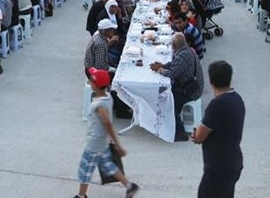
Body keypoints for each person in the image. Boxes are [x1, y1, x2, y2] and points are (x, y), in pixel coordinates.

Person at [73, 68, 139, 198]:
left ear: (96, 85)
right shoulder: (107, 97)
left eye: (91, 80)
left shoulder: (100, 105)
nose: (89, 81)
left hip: (94, 143)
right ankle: (130, 186)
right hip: (102, 142)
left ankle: (81, 195)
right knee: (108, 165)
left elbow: (107, 124)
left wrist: (118, 145)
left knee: (85, 169)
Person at [191, 60, 244, 197]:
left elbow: (200, 136)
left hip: (219, 167)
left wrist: (196, 135)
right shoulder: (237, 99)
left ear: (211, 81)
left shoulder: (217, 104)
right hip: (233, 161)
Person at [149, 32, 204, 142]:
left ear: (174, 45)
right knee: (167, 95)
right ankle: (172, 122)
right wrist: (163, 65)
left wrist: (160, 69)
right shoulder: (186, 51)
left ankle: (180, 133)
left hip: (191, 90)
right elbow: (175, 64)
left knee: (167, 101)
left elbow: (172, 74)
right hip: (189, 86)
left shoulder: (183, 55)